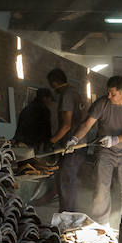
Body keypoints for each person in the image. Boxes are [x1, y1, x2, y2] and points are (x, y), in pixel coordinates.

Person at [66, 75, 122, 225]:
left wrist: (115, 139)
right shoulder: (101, 103)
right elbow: (86, 125)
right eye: (108, 92)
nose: (109, 96)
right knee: (100, 190)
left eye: (113, 94)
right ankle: (101, 224)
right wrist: (75, 139)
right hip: (105, 151)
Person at [46, 68, 86, 212]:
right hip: (78, 144)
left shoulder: (67, 95)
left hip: (71, 146)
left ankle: (68, 215)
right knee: (68, 180)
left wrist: (51, 142)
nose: (53, 89)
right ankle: (68, 212)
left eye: (52, 85)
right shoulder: (75, 92)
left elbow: (67, 125)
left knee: (66, 181)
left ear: (55, 82)